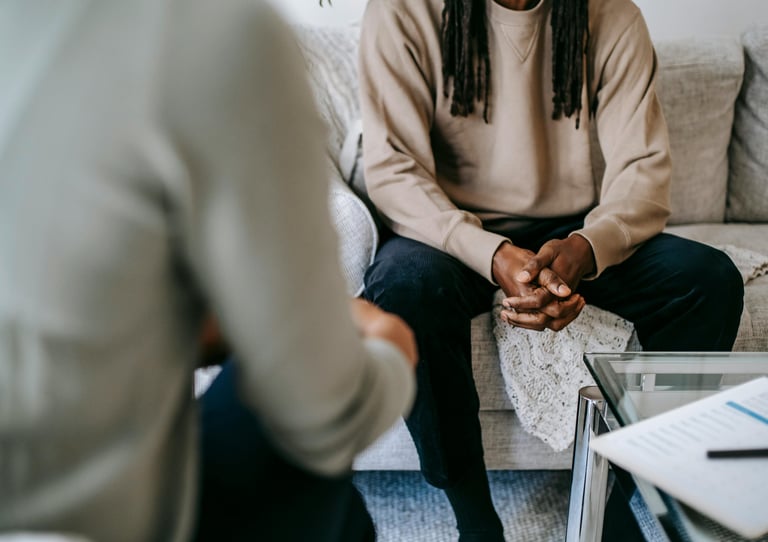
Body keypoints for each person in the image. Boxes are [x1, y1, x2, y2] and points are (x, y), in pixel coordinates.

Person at [0, 1, 417, 541]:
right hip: (91, 518)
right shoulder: (211, 35)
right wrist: (389, 348)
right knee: (321, 483)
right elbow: (324, 414)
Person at [357, 0, 744, 539]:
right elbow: (394, 168)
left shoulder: (611, 16)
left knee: (710, 281)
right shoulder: (403, 11)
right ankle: (474, 519)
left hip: (571, 232)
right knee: (403, 290)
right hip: (449, 230)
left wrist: (587, 248)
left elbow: (643, 172)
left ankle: (612, 498)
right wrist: (490, 253)